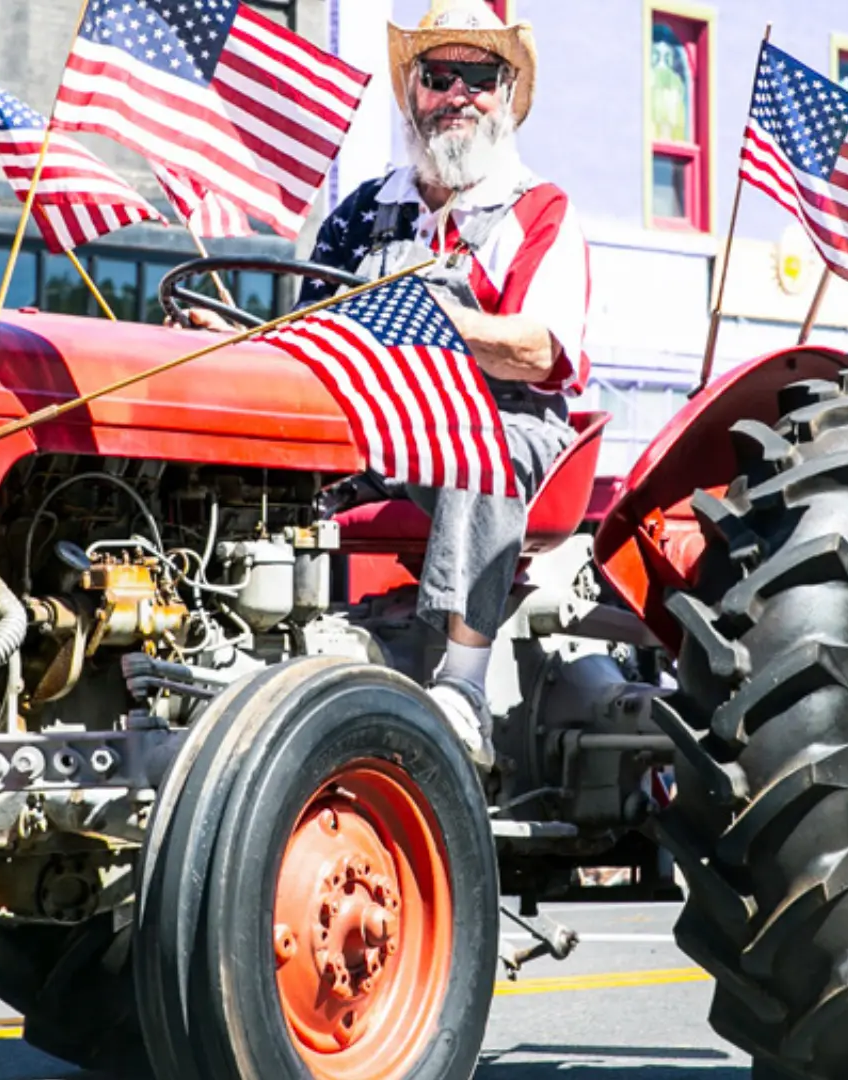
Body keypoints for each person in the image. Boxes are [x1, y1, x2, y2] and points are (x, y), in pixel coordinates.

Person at [183, 0, 588, 768]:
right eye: (440, 75)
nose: (458, 94)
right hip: (372, 421)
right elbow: (309, 343)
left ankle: (462, 688)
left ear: (507, 93)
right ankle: (240, 646)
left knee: (478, 450)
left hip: (504, 420)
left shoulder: (538, 212)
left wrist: (421, 324)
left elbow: (538, 352)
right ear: (413, 93)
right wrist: (242, 345)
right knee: (253, 462)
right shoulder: (364, 212)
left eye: (479, 75)